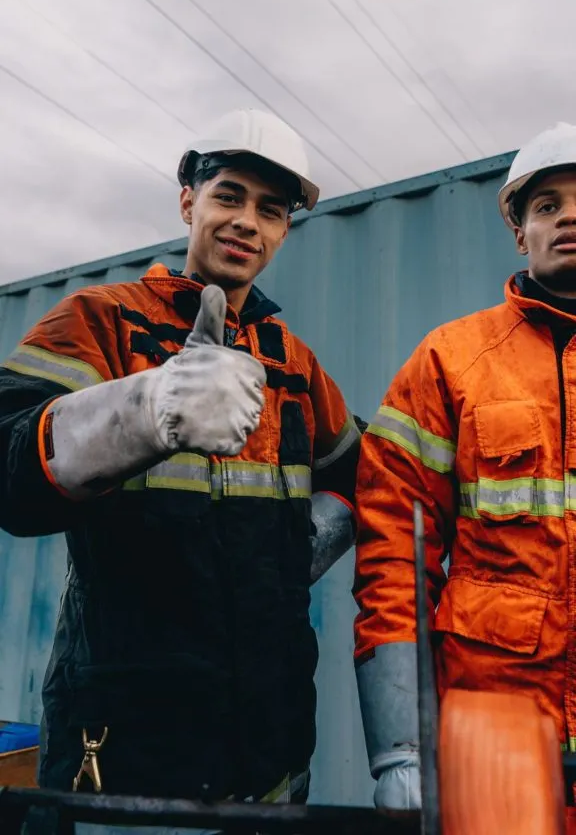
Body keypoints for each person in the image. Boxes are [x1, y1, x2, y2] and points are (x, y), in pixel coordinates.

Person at [0, 108, 359, 806]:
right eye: (228, 196)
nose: (247, 223)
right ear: (188, 200)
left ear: (285, 230)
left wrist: (297, 555)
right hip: (120, 739)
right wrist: (144, 409)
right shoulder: (97, 320)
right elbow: (9, 471)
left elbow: (356, 474)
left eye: (271, 210)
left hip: (271, 743)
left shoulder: (291, 363)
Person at [353, 122, 576, 811]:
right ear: (519, 232)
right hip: (495, 724)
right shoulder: (452, 360)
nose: (568, 216)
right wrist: (400, 749)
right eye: (547, 205)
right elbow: (393, 551)